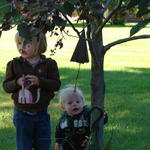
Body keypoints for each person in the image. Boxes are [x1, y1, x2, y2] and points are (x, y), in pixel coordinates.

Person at [3, 31, 61, 150]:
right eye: (19, 43)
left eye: (26, 44)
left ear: (39, 44)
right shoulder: (14, 64)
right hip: (22, 115)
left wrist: (39, 81)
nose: (21, 47)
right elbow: (6, 86)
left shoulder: (48, 64)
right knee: (24, 146)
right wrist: (17, 82)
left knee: (43, 145)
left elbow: (56, 85)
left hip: (42, 114)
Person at [55, 86, 108, 150]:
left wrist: (103, 116)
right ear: (63, 107)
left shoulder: (87, 113)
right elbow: (59, 131)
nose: (74, 104)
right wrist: (58, 142)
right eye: (70, 103)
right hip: (69, 143)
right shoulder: (63, 118)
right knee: (65, 144)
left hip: (85, 141)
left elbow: (98, 121)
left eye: (78, 102)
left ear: (83, 103)